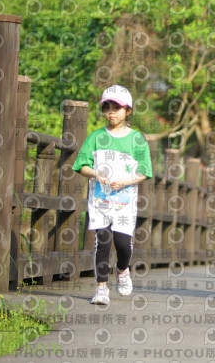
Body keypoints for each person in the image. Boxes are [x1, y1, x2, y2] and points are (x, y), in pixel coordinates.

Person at [73, 85, 152, 305]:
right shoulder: (96, 137)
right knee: (103, 242)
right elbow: (81, 165)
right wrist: (96, 173)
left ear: (127, 111)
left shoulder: (136, 139)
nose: (111, 111)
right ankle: (101, 288)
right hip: (100, 200)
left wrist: (126, 181)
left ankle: (123, 270)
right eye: (107, 106)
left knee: (123, 244)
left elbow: (145, 170)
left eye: (117, 107)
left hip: (125, 201)